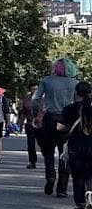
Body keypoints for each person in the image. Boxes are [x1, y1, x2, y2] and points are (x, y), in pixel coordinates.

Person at [32, 60, 77, 197]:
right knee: (65, 154)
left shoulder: (47, 81)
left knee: (48, 151)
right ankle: (62, 188)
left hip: (50, 118)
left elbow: (35, 99)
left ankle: (50, 175)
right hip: (67, 120)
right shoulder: (74, 83)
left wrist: (37, 113)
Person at [62, 91, 92, 209]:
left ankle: (80, 204)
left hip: (75, 147)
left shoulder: (70, 108)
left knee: (78, 175)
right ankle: (90, 192)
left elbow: (60, 126)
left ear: (75, 94)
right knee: (91, 173)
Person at [17, 89, 39, 169]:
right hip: (30, 124)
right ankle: (32, 162)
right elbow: (23, 114)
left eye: (36, 89)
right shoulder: (26, 101)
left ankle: (49, 160)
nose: (35, 91)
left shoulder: (43, 99)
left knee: (44, 145)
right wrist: (20, 125)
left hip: (41, 125)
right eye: (33, 89)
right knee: (31, 144)